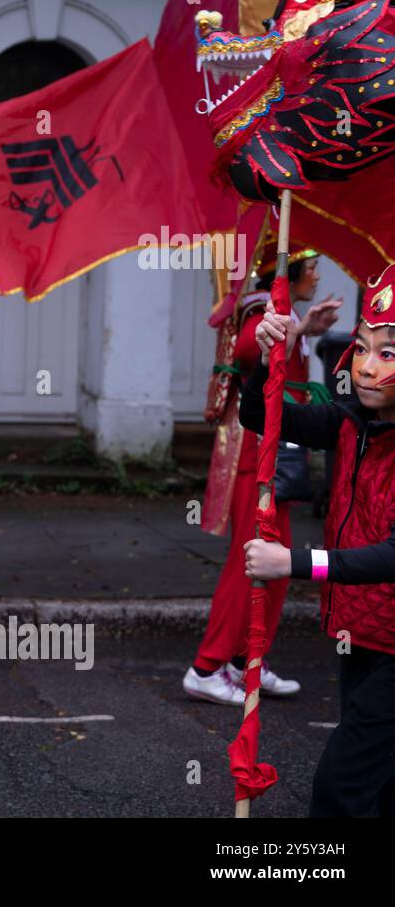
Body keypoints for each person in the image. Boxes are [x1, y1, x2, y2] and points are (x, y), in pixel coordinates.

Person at [243, 262, 395, 816]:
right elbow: (261, 414)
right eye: (362, 349)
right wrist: (268, 358)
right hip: (366, 635)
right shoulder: (352, 422)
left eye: (389, 353)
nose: (367, 368)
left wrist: (298, 563)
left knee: (341, 791)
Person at [186, 253, 342, 705]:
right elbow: (250, 350)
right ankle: (205, 667)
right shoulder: (262, 308)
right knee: (248, 564)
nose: (316, 274)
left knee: (278, 567)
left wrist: (304, 329)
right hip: (256, 458)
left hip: (277, 453)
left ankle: (244, 661)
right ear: (287, 271)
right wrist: (292, 329)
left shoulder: (282, 310)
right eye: (310, 266)